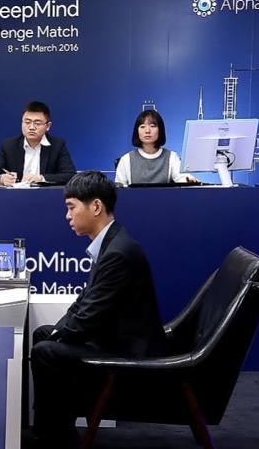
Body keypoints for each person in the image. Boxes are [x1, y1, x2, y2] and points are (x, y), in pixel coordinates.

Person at [29, 171, 166, 447]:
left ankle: (57, 437)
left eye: (71, 207)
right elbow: (83, 302)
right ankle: (49, 426)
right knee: (44, 335)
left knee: (45, 350)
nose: (67, 216)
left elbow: (87, 319)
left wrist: (61, 334)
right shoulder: (112, 242)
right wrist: (58, 331)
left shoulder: (117, 252)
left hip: (127, 350)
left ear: (95, 207)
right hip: (113, 336)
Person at [0, 101, 76, 186]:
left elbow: (69, 175)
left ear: (48, 126)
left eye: (37, 123)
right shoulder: (8, 146)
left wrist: (41, 178)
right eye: (27, 122)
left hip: (46, 196)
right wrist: (1, 179)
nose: (31, 127)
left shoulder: (57, 145)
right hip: (15, 196)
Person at [114, 109, 198, 186]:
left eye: (152, 126)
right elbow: (119, 192)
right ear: (137, 131)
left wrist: (189, 180)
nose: (147, 131)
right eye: (142, 127)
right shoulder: (126, 160)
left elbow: (183, 178)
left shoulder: (171, 157)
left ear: (160, 130)